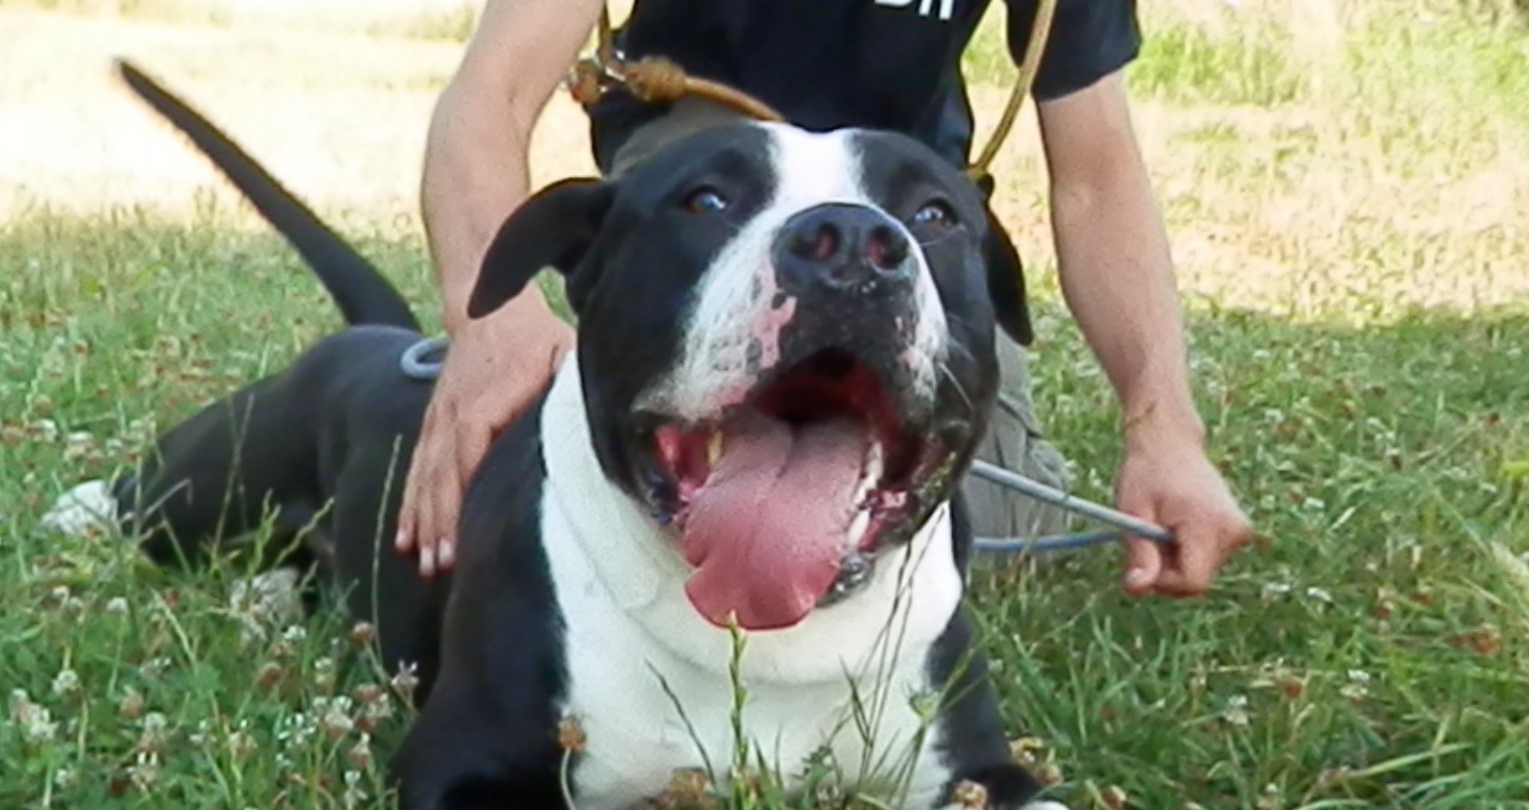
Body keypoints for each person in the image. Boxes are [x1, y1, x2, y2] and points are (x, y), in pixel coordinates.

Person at [400, 0, 1251, 597]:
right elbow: (492, 94)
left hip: (899, 208)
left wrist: (1164, 430)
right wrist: (492, 325)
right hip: (710, 173)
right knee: (577, 486)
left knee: (989, 519)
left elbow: (1096, 175)